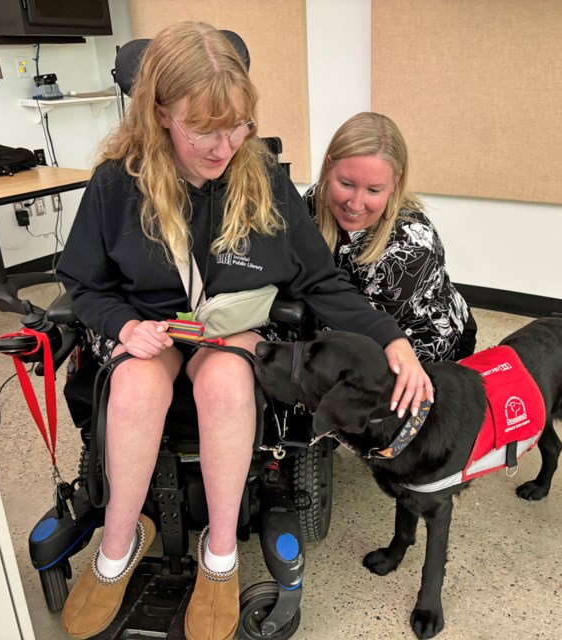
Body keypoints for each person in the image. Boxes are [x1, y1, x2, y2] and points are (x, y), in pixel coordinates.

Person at [54, 22, 432, 640]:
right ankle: (117, 547)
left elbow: (319, 281)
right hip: (149, 328)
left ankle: (222, 555)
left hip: (226, 334)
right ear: (159, 113)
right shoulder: (116, 183)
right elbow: (85, 285)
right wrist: (123, 325)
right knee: (136, 389)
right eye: (203, 129)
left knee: (229, 380)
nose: (223, 145)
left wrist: (391, 338)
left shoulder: (264, 179)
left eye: (237, 126)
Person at [299, 111, 477, 363]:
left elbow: (359, 331)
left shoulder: (412, 245)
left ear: (396, 181)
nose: (355, 203)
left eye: (373, 189)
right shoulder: (315, 198)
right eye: (346, 184)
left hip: (415, 336)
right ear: (329, 166)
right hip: (338, 311)